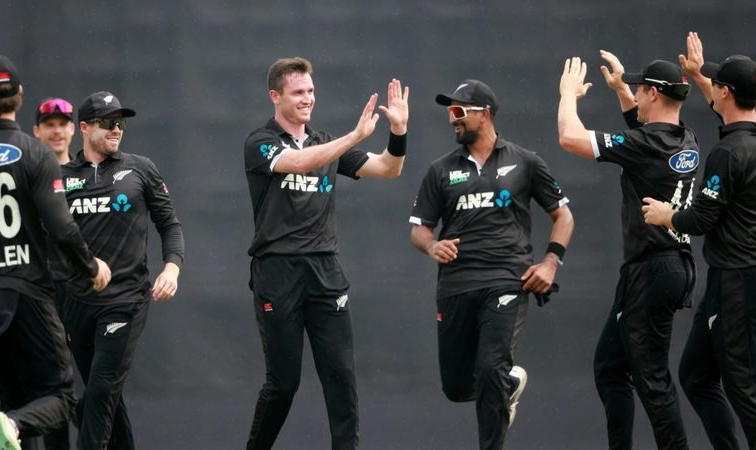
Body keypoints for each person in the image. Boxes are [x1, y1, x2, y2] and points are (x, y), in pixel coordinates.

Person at [244, 57, 408, 450]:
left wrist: (398, 131)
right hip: (277, 271)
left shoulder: (325, 142)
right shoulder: (260, 142)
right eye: (298, 92)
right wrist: (355, 136)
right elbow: (299, 162)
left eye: (311, 91)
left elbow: (389, 169)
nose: (308, 99)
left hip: (325, 270)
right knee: (283, 384)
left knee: (341, 377)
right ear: (275, 96)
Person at [0, 55, 110, 450]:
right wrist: (90, 266)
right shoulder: (35, 153)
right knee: (59, 399)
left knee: (14, 398)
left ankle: (11, 422)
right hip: (25, 290)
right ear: (20, 95)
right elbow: (61, 227)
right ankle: (13, 423)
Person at [410, 79, 574, 450]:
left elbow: (563, 216)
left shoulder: (525, 161)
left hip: (507, 279)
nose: (452, 119)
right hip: (455, 285)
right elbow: (419, 230)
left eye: (458, 111)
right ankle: (506, 384)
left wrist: (550, 262)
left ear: (484, 114)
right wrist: (432, 246)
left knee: (489, 368)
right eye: (449, 112)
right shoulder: (440, 170)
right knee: (457, 387)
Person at [558, 54, 698, 449]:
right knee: (610, 367)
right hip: (665, 265)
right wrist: (622, 89)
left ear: (652, 94)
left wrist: (567, 94)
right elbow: (641, 130)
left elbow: (569, 137)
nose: (634, 94)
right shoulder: (684, 137)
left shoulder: (647, 143)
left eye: (638, 89)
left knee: (652, 378)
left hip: (653, 270)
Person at [643, 32, 756, 450]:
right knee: (695, 374)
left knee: (742, 383)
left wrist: (665, 215)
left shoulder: (728, 153)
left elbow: (703, 219)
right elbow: (732, 109)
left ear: (727, 92)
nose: (713, 90)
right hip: (733, 280)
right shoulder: (746, 138)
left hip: (737, 280)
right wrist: (700, 75)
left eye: (716, 84)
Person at [60, 91, 184, 450]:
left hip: (126, 299)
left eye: (121, 123)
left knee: (101, 389)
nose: (117, 129)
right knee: (104, 395)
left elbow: (170, 225)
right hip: (76, 301)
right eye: (108, 122)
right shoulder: (62, 177)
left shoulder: (140, 168)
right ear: (85, 128)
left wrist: (172, 270)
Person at [34, 97, 76, 450]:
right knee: (46, 383)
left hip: (81, 293)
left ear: (74, 129)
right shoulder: (27, 175)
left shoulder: (86, 174)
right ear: (37, 131)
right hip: (39, 291)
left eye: (63, 124)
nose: (57, 130)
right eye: (50, 125)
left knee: (94, 386)